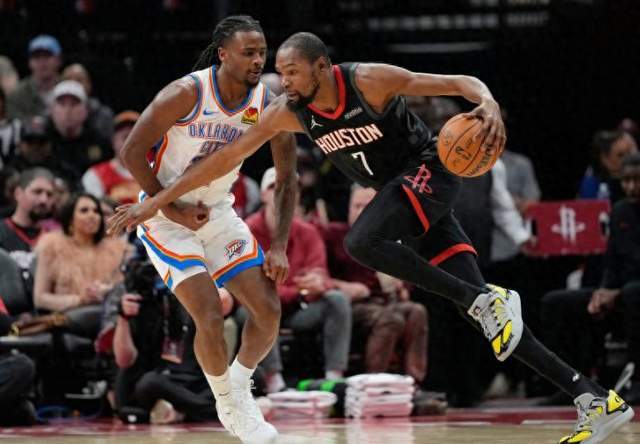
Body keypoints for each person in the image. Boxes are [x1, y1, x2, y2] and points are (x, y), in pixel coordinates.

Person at [109, 16, 298, 444]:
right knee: (210, 313)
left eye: (262, 52)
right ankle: (227, 405)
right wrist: (170, 208)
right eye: (248, 52)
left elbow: (287, 178)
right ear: (223, 54)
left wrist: (280, 244)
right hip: (165, 218)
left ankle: (239, 387)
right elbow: (132, 150)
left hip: (217, 212)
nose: (258, 60)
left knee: (268, 310)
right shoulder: (186, 93)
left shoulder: (269, 104)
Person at [237, 167, 352, 393]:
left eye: (290, 188)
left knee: (336, 300)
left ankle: (334, 378)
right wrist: (297, 289)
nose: (282, 193)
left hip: (299, 310)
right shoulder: (245, 232)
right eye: (274, 187)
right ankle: (275, 382)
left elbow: (321, 275)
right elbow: (250, 289)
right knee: (253, 307)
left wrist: (319, 284)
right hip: (264, 309)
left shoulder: (308, 232)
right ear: (263, 195)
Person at [542, 153, 640, 405]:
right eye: (626, 180)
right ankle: (572, 383)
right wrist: (602, 291)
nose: (631, 186)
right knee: (555, 302)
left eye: (636, 180)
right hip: (619, 293)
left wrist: (616, 293)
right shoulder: (620, 211)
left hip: (633, 294)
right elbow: (612, 261)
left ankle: (636, 380)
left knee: (633, 292)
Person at [320, 185, 427, 384]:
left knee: (416, 312)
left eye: (366, 206)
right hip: (349, 305)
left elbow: (406, 280)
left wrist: (401, 287)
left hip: (382, 302)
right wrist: (343, 286)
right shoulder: (333, 235)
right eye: (356, 206)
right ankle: (374, 384)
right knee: (390, 319)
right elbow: (318, 275)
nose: (360, 212)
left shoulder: (386, 238)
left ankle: (412, 383)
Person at [33, 192, 127, 338]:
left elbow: (123, 289)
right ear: (70, 219)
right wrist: (79, 300)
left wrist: (106, 291)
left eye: (96, 211)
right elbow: (40, 299)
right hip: (66, 321)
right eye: (84, 210)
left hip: (107, 315)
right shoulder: (51, 247)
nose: (92, 215)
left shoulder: (117, 250)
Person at [0, 168, 56, 305]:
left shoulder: (56, 240)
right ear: (18, 193)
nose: (44, 200)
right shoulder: (1, 231)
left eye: (49, 194)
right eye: (37, 192)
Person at [81, 111, 141, 204]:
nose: (130, 144)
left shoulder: (156, 174)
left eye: (135, 137)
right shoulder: (95, 176)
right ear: (113, 141)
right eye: (125, 138)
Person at [6, 35, 62, 120]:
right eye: (36, 57)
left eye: (47, 56)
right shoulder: (17, 95)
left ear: (58, 59)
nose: (42, 62)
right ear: (29, 62)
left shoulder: (69, 88)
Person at [62, 63, 115, 141]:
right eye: (68, 80)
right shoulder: (51, 115)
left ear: (89, 85)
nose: (74, 84)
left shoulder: (103, 115)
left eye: (79, 80)